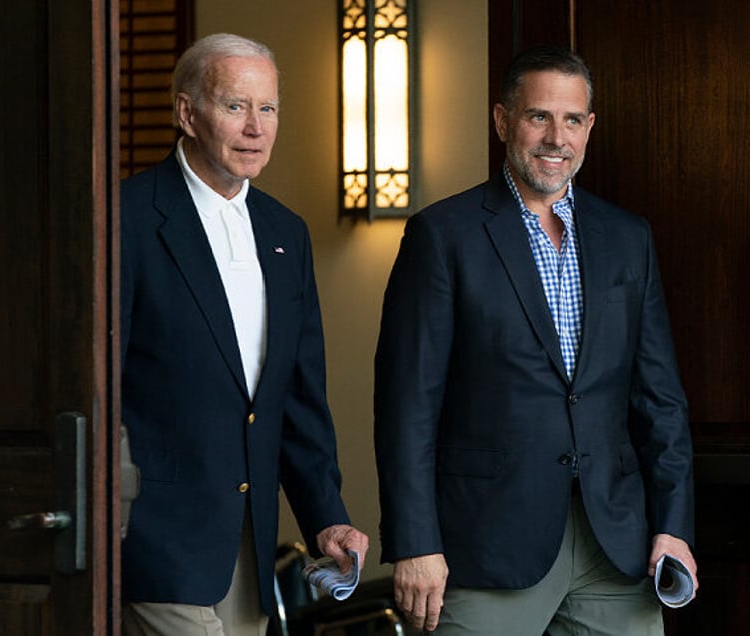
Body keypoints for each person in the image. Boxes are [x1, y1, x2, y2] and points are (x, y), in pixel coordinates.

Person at [374, 45, 697, 635]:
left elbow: (661, 400)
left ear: (589, 127)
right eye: (538, 117)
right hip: (487, 542)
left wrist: (673, 525)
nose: (556, 138)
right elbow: (407, 406)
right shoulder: (442, 236)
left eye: (572, 120)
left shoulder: (628, 238)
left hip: (614, 547)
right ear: (503, 121)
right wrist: (415, 541)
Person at [120, 33, 369, 636]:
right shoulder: (125, 216)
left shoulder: (287, 232)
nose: (256, 127)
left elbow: (297, 402)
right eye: (235, 106)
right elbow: (93, 385)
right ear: (187, 114)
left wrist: (325, 519)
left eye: (269, 108)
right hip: (155, 545)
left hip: (249, 550)